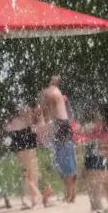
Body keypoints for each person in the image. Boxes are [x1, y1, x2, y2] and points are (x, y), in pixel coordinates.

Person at [4, 104, 52, 208]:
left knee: (27, 173)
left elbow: (8, 138)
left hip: (20, 139)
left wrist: (6, 145)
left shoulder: (13, 123)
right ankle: (38, 194)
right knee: (33, 170)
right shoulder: (27, 120)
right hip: (27, 137)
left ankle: (37, 196)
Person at [41, 75, 78, 203]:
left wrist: (45, 127)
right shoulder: (61, 95)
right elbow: (69, 115)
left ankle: (70, 194)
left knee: (64, 161)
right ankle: (70, 193)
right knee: (67, 161)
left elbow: (46, 111)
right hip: (64, 125)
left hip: (60, 126)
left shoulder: (51, 92)